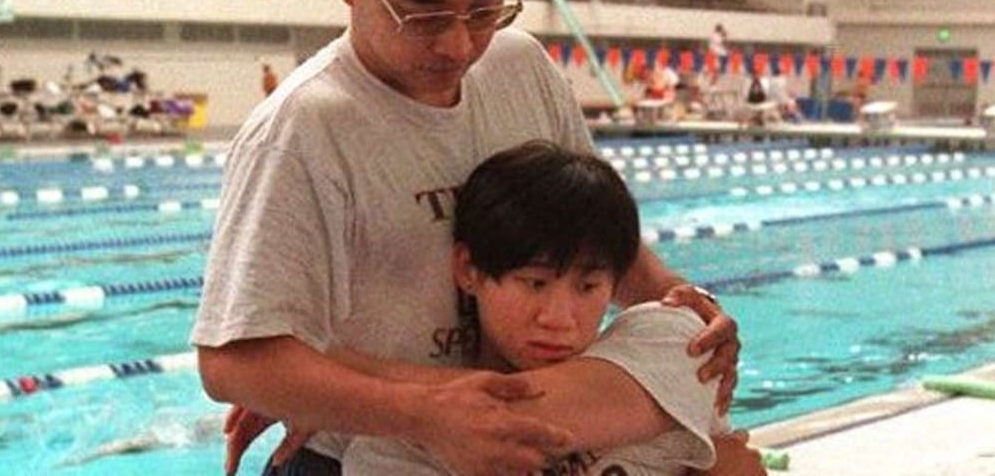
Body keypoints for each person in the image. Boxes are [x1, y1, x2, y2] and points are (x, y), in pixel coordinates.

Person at [193, 0, 739, 476]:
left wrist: (683, 303)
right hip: (371, 452)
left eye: (486, 8)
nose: (458, 45)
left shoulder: (522, 68)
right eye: (422, 15)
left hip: (529, 424)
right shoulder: (304, 131)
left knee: (679, 358)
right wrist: (415, 413)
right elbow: (232, 360)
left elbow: (591, 234)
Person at [265, 141, 762, 475]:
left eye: (588, 287)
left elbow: (517, 410)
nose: (559, 318)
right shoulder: (395, 454)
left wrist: (329, 376)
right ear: (468, 269)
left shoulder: (677, 340)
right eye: (534, 283)